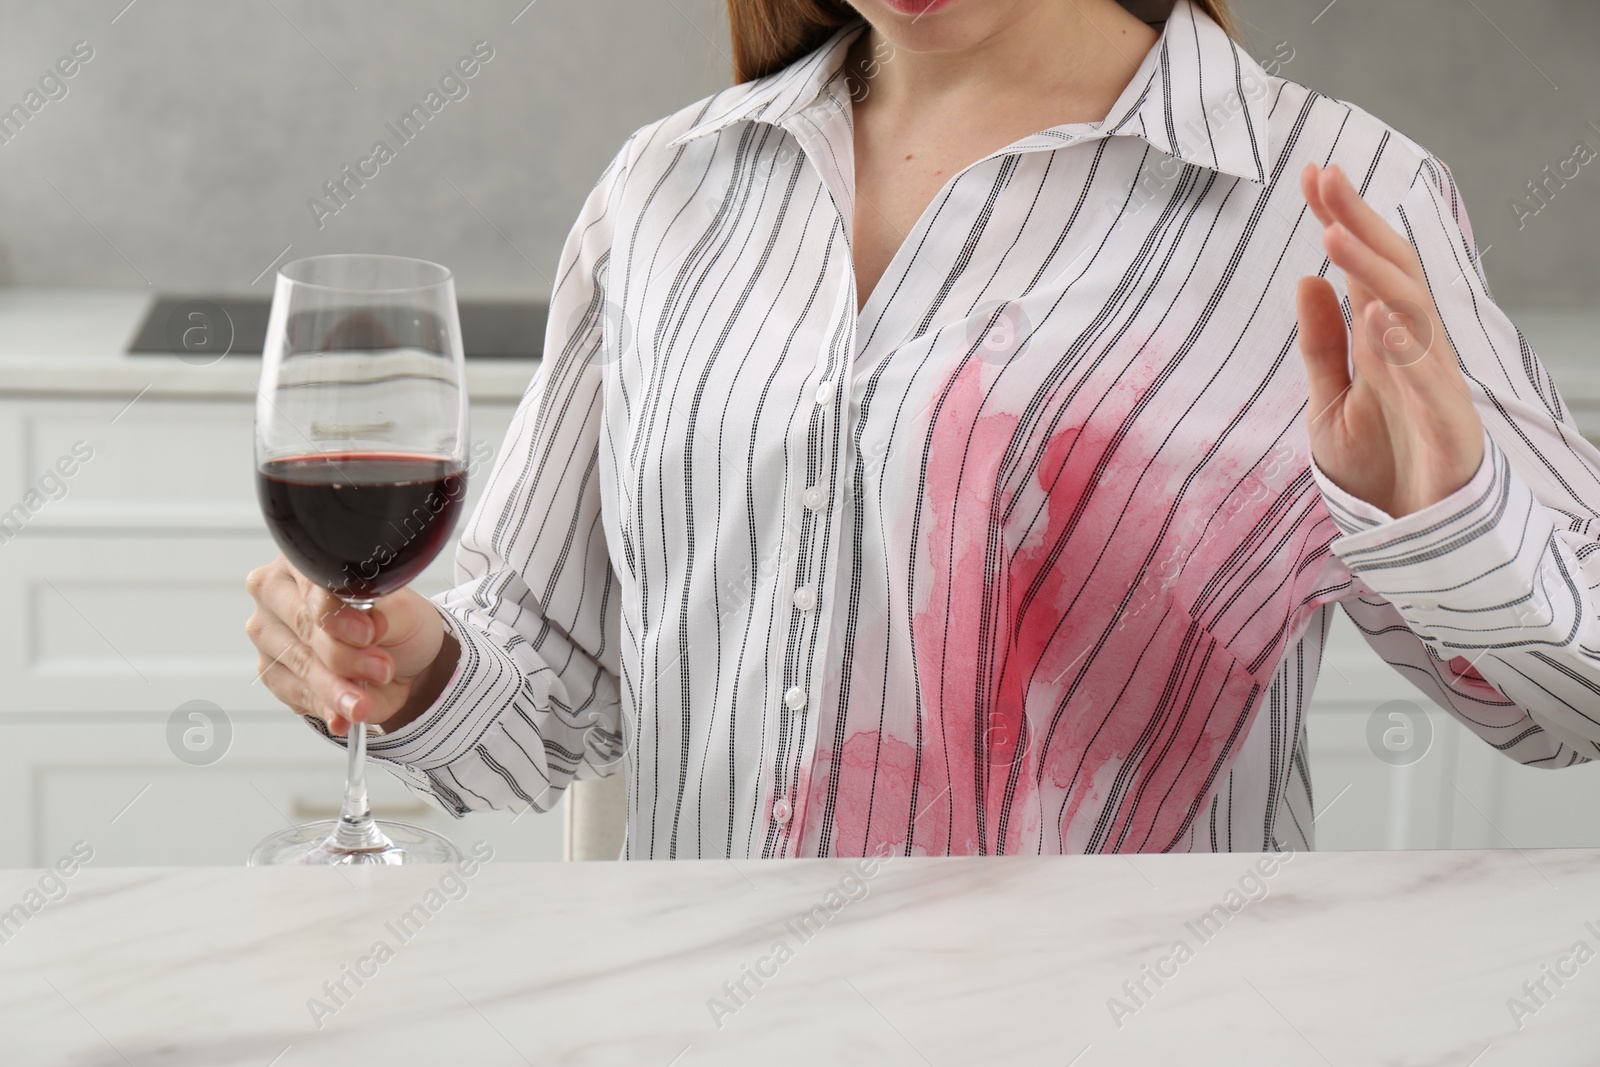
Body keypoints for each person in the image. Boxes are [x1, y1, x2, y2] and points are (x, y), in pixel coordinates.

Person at [246, 0, 1600, 859]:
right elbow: (550, 690)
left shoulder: (1330, 201)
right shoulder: (669, 188)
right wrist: (413, 668)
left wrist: (1444, 517)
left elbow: (1576, 707)